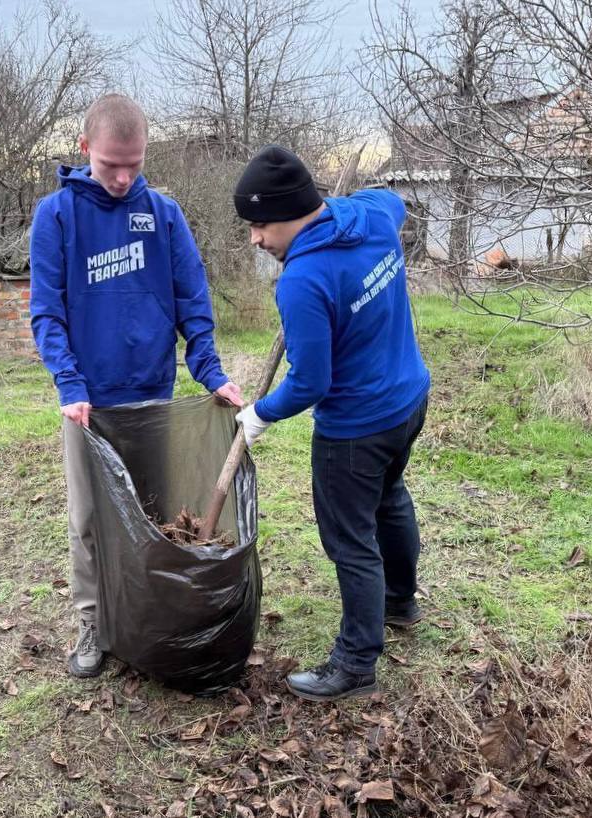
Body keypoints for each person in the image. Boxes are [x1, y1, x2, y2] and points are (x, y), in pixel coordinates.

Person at [29, 94, 243, 678]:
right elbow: (46, 313)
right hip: (89, 407)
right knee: (91, 519)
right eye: (109, 165)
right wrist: (69, 384)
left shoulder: (164, 214)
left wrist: (212, 373)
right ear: (83, 151)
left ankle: (149, 612)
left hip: (153, 397)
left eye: (135, 164)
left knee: (150, 513)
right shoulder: (56, 217)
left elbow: (192, 303)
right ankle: (93, 622)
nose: (123, 178)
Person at [232, 145, 431, 701]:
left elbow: (309, 383)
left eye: (261, 224)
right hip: (408, 399)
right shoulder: (368, 213)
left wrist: (258, 417)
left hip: (356, 428)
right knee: (390, 498)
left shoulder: (302, 281)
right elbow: (395, 202)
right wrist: (341, 209)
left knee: (350, 540)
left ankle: (356, 662)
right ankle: (400, 602)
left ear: (293, 211)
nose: (255, 238)